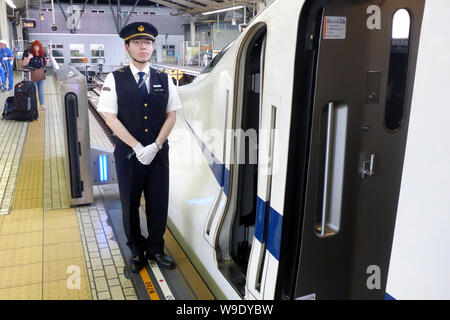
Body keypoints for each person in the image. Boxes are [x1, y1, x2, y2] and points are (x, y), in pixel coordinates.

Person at [97, 22, 182, 272]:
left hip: (158, 155)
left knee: (158, 201)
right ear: (127, 47)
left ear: (153, 47)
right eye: (137, 42)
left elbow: (172, 116)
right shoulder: (115, 79)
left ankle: (156, 247)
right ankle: (136, 250)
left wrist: (155, 145)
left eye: (147, 42)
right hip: (128, 155)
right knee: (130, 203)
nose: (143, 47)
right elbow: (109, 117)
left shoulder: (164, 79)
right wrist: (136, 146)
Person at [22, 40, 49, 110]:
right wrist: (28, 58)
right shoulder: (27, 52)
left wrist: (46, 62)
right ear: (32, 46)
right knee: (33, 90)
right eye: (35, 46)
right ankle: (33, 105)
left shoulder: (42, 52)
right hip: (32, 72)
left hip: (41, 72)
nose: (36, 48)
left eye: (38, 46)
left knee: (40, 89)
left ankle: (42, 105)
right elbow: (24, 63)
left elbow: (45, 63)